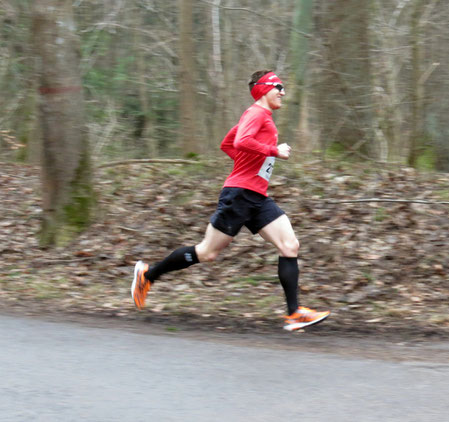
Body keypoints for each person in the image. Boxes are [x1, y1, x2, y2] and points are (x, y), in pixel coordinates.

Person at [131, 70, 330, 331]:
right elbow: (241, 140)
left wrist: (248, 164)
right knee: (207, 252)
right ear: (263, 89)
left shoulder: (261, 117)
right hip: (239, 195)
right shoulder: (256, 113)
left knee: (290, 245)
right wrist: (274, 151)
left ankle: (294, 313)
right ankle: (148, 275)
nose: (283, 92)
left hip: (257, 196)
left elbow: (227, 144)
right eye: (278, 86)